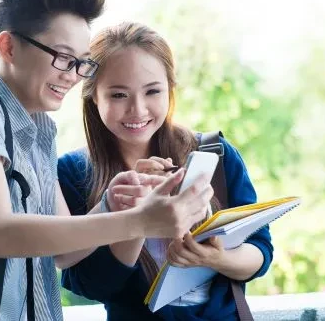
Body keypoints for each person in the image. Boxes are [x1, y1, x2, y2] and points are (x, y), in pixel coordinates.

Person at [0, 0, 213, 320]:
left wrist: (109, 206)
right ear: (8, 46)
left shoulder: (39, 126)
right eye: (62, 57)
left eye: (81, 62)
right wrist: (139, 221)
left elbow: (60, 255)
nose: (72, 75)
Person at [58, 22, 274, 320]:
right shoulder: (73, 171)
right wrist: (138, 217)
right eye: (118, 95)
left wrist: (218, 258)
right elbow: (91, 286)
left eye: (152, 91)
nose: (138, 109)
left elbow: (260, 251)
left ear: (170, 90)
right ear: (94, 96)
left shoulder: (215, 154)